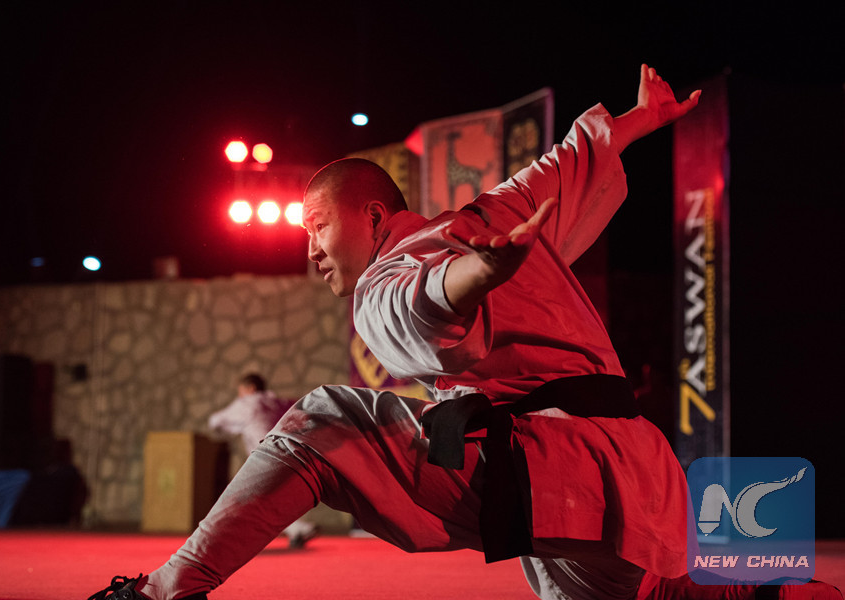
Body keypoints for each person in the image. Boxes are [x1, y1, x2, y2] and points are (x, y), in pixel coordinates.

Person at [88, 65, 840, 600]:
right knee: (668, 596)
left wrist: (478, 274)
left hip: (559, 471)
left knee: (322, 422)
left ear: (373, 216)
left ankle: (163, 591)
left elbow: (423, 302)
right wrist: (638, 120)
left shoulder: (393, 274)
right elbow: (564, 165)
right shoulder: (493, 215)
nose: (310, 249)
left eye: (317, 227)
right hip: (638, 471)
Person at [206, 373, 318, 549]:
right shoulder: (277, 402)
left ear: (250, 388)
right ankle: (298, 529)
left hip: (263, 458)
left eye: (241, 391)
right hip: (287, 455)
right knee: (267, 502)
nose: (239, 395)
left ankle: (218, 540)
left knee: (241, 499)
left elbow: (216, 420)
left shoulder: (248, 403)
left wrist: (219, 428)